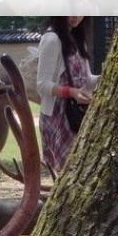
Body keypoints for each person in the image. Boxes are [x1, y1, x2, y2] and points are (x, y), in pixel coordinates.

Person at [36, 15, 100, 174]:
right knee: (68, 172)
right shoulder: (52, 39)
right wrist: (72, 92)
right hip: (58, 117)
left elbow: (87, 79)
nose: (77, 16)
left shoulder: (76, 38)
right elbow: (42, 84)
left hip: (77, 114)